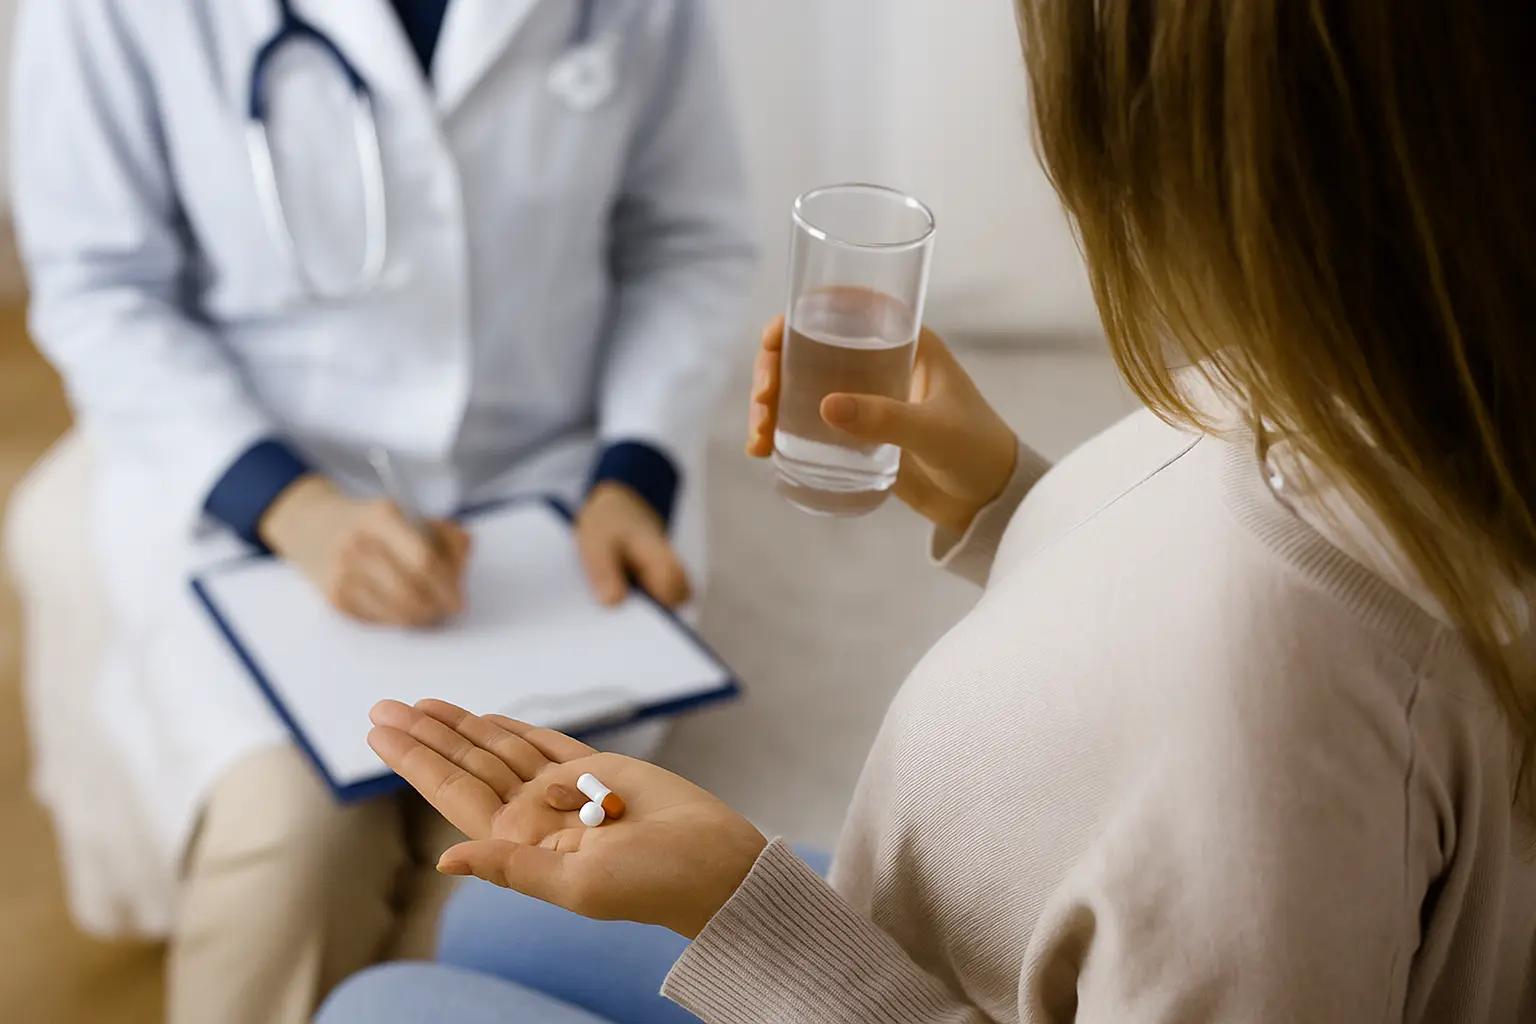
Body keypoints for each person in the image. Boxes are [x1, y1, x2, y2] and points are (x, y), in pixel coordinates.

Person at [313, 0, 1536, 1021]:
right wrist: (1013, 499)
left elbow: (1265, 660)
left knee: (379, 1009)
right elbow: (1189, 593)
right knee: (486, 921)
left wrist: (750, 915)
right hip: (934, 933)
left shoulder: (1285, 686)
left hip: (880, 980)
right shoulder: (1388, 382)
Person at [2, 0, 753, 1021]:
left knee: (513, 876)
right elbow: (99, 287)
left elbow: (687, 244)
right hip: (256, 497)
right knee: (286, 852)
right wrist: (289, 506)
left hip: (550, 500)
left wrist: (635, 471)